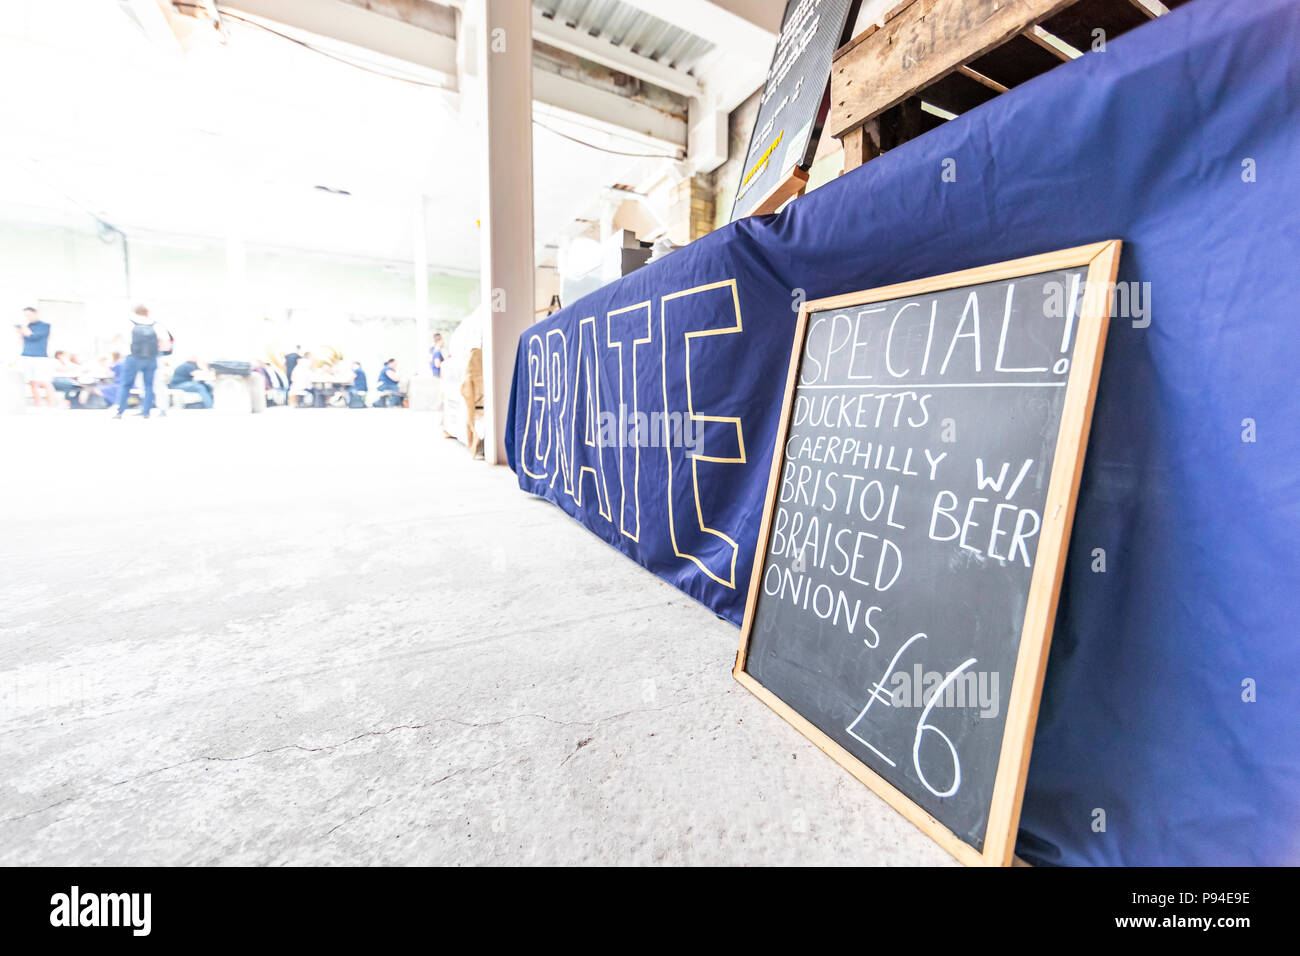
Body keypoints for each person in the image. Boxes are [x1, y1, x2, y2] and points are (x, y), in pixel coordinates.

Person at [113, 305, 168, 419]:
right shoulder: (156, 325)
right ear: (147, 312)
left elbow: (113, 338)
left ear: (135, 312)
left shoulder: (128, 323)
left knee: (126, 384)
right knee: (149, 385)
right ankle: (146, 412)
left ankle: (120, 412)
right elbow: (166, 345)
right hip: (151, 358)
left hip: (132, 357)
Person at [16, 306, 55, 407]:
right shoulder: (26, 326)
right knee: (32, 382)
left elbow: (33, 336)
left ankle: (51, 405)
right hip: (27, 356)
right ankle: (38, 405)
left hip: (40, 357)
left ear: (35, 313)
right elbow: (21, 341)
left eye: (29, 315)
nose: (28, 317)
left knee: (45, 381)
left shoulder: (44, 326)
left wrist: (24, 328)